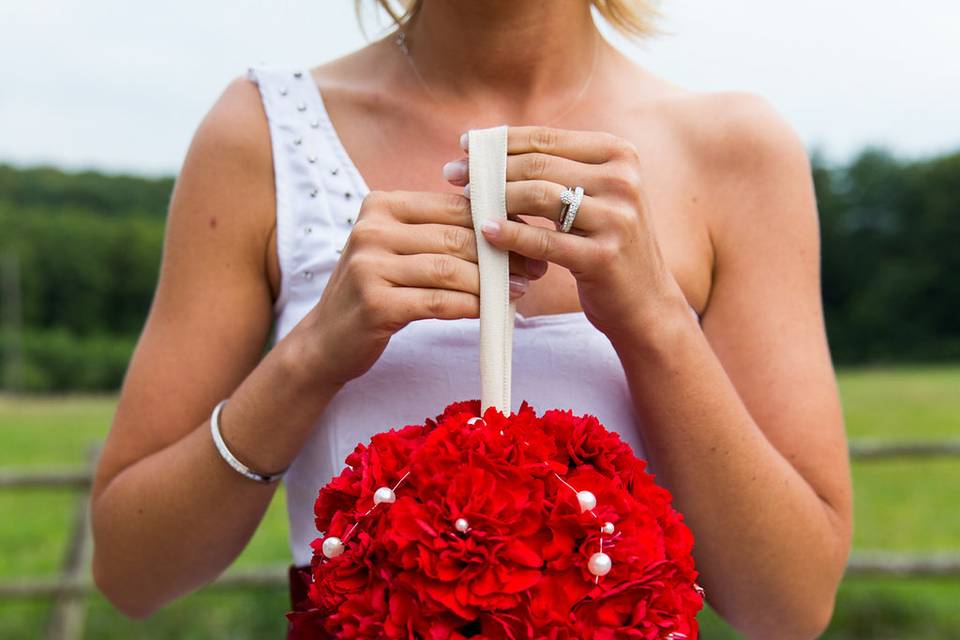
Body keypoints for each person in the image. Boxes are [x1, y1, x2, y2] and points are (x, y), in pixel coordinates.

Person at [89, 1, 853, 637]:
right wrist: (310, 358)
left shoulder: (737, 150)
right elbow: (132, 570)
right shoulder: (259, 132)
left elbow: (791, 605)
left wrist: (656, 322)